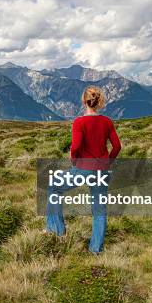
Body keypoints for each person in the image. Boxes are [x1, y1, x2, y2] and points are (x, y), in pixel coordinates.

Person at [46, 86, 121, 254]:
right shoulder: (107, 122)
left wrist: (74, 160)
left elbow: (76, 146)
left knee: (53, 188)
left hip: (83, 168)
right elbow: (117, 146)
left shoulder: (79, 122)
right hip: (101, 169)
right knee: (99, 209)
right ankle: (95, 249)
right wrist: (108, 162)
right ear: (100, 101)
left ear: (84, 101)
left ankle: (57, 231)